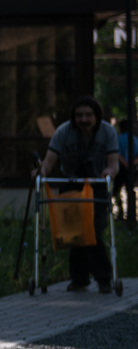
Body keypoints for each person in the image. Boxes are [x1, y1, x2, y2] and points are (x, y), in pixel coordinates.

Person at [40, 96, 118, 293]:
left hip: (96, 184)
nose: (84, 119)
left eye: (88, 115)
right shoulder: (63, 132)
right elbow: (49, 161)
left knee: (94, 230)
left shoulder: (107, 132)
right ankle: (79, 278)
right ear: (73, 117)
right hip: (71, 183)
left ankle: (104, 278)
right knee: (74, 232)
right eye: (79, 115)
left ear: (96, 116)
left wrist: (109, 172)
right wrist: (41, 172)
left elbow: (113, 163)